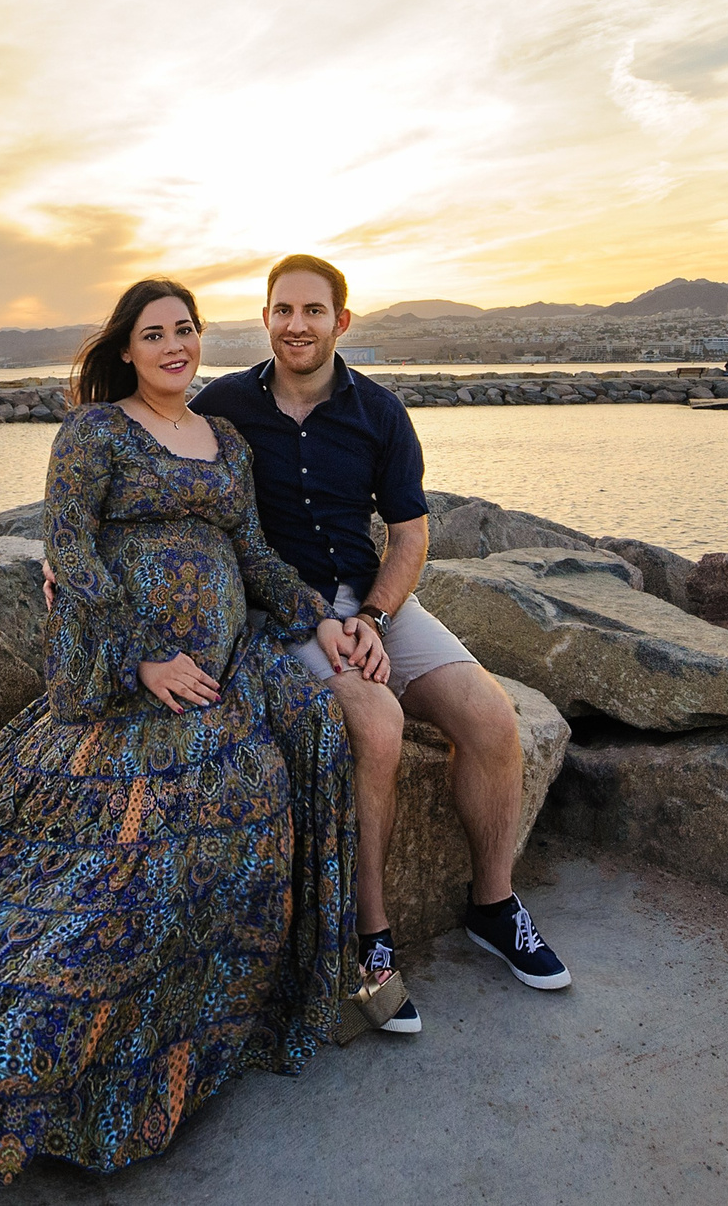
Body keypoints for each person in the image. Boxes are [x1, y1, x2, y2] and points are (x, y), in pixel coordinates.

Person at [0, 277, 362, 1188]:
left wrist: (318, 619)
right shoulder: (94, 432)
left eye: (186, 329)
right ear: (127, 348)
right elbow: (70, 552)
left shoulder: (226, 439)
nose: (175, 345)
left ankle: (225, 1023)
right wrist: (143, 659)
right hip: (129, 678)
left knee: (288, 764)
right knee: (146, 847)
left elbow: (254, 552)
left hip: (225, 667)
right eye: (156, 333)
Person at [192, 254, 570, 1037]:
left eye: (313, 311)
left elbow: (410, 536)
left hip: (374, 602)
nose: (296, 324)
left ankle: (493, 905)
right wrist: (69, 554)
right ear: (265, 318)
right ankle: (372, 937)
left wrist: (373, 616)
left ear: (341, 321)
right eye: (283, 309)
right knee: (379, 723)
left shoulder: (381, 412)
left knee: (490, 718)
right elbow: (153, 458)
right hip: (286, 615)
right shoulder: (223, 405)